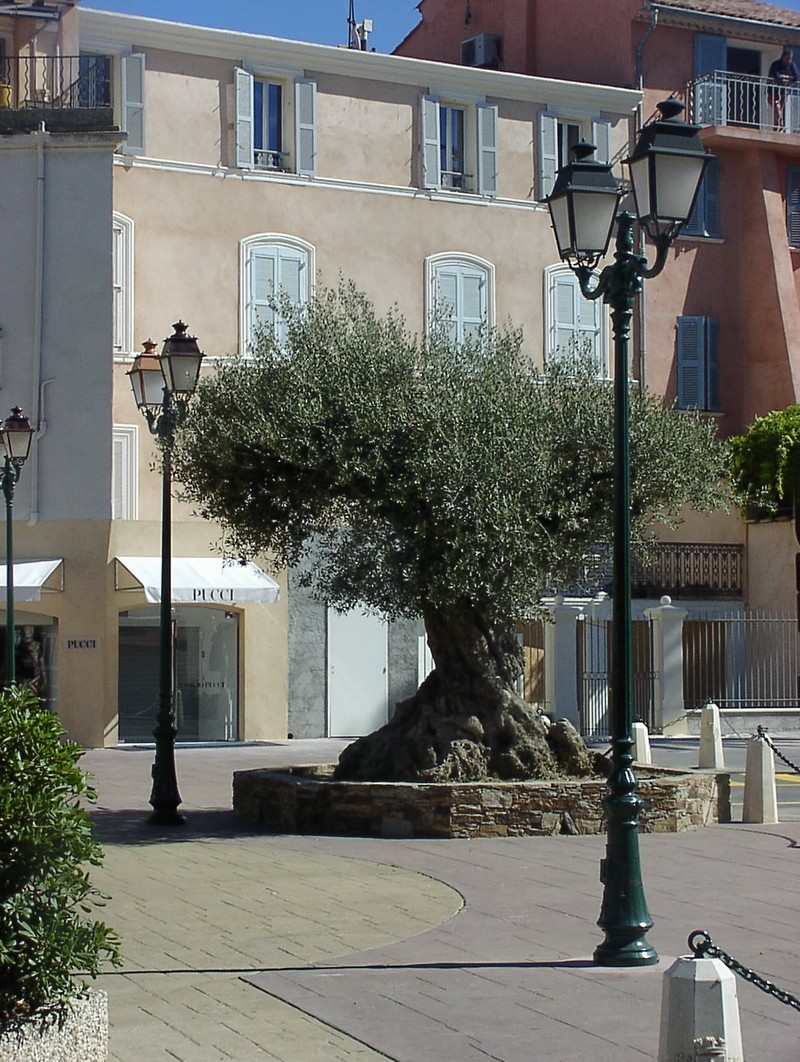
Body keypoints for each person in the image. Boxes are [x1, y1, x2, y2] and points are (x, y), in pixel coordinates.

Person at [768, 47, 800, 130]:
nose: (789, 60)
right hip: (773, 91)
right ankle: (780, 124)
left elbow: (796, 76)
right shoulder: (775, 64)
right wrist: (783, 81)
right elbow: (776, 75)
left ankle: (777, 126)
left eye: (790, 59)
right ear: (783, 57)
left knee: (780, 108)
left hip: (783, 92)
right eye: (788, 58)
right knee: (776, 107)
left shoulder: (791, 65)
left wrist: (789, 83)